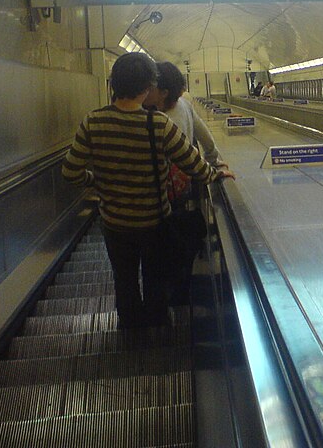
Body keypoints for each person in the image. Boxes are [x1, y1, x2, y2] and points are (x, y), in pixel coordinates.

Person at [62, 53, 231, 329]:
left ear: (113, 84)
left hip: (114, 222)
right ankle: (157, 329)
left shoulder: (92, 122)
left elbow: (70, 172)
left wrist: (99, 179)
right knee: (155, 278)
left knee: (124, 279)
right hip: (154, 221)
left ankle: (131, 331)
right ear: (146, 88)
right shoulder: (158, 124)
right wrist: (216, 173)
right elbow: (194, 164)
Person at [144, 61, 233, 304]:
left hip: (163, 196)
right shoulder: (183, 105)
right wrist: (214, 162)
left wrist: (213, 168)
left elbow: (189, 150)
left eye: (150, 87)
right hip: (180, 192)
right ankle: (178, 291)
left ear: (162, 91)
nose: (146, 91)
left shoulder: (154, 118)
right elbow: (205, 137)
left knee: (162, 247)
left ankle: (167, 298)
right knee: (177, 243)